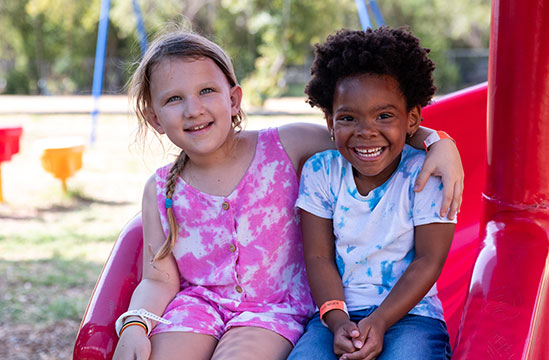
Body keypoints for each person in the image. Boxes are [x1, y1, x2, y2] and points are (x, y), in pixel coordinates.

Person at [112, 29, 462, 360]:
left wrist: (439, 142)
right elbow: (158, 278)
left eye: (206, 91)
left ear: (234, 99)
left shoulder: (286, 145)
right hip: (196, 309)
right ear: (155, 117)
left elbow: (364, 134)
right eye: (174, 99)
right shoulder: (160, 189)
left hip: (273, 311)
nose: (194, 109)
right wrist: (135, 323)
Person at [288, 26, 456, 360]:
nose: (366, 131)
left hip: (413, 316)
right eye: (348, 117)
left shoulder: (427, 173)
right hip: (335, 315)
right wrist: (338, 323)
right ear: (329, 121)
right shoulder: (321, 172)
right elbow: (319, 258)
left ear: (411, 120)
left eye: (383, 116)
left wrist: (378, 322)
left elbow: (429, 260)